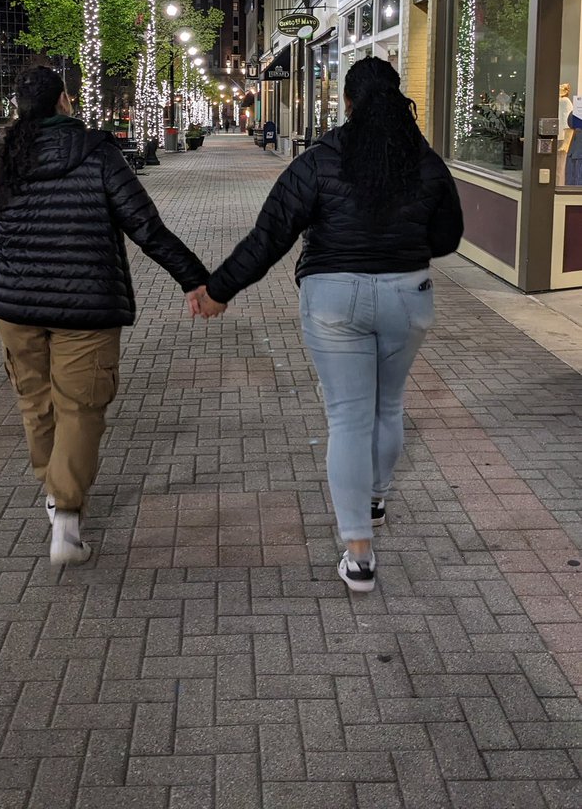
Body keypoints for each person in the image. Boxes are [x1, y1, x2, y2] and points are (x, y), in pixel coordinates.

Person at [188, 57, 463, 594]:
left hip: (333, 299)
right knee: (388, 406)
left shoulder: (320, 160)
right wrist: (401, 250)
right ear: (398, 99)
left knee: (348, 420)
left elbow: (270, 236)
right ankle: (377, 496)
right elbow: (448, 238)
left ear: (349, 101)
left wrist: (218, 290)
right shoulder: (426, 163)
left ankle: (359, 553)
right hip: (408, 296)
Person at [0, 67, 208, 566]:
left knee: (36, 404)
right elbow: (145, 225)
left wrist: (19, 252)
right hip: (87, 307)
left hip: (15, 305)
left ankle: (55, 493)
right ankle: (68, 515)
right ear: (64, 101)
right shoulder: (99, 154)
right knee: (80, 406)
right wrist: (195, 279)